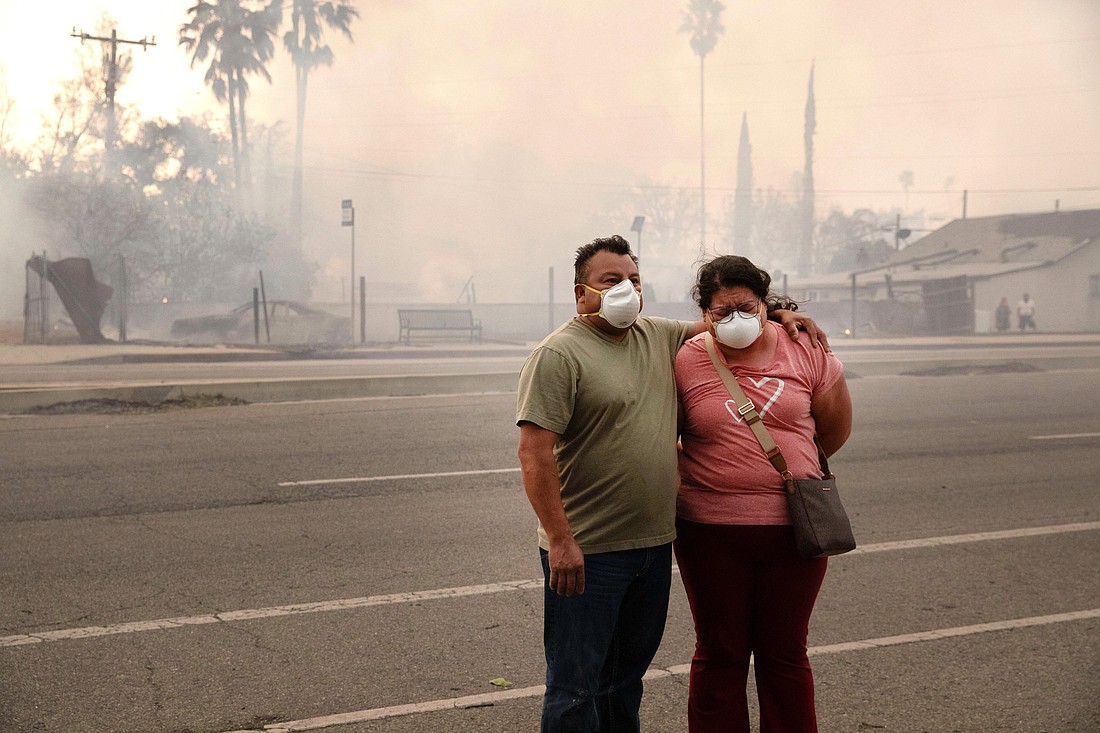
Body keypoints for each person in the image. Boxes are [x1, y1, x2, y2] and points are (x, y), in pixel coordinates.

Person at [516, 235, 828, 732]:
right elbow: (534, 454)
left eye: (634, 281)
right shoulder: (559, 354)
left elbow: (728, 318)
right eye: (610, 281)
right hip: (589, 549)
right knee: (575, 687)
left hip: (653, 545)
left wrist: (782, 313)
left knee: (624, 679)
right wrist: (559, 540)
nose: (626, 290)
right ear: (581, 294)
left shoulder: (655, 335)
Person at [673, 255, 852, 732]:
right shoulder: (687, 357)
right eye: (721, 311)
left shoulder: (804, 347)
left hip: (796, 529)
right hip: (708, 532)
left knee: (785, 654)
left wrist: (792, 471)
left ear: (764, 304)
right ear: (704, 315)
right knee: (719, 653)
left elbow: (833, 428)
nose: (734, 318)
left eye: (745, 306)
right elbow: (664, 432)